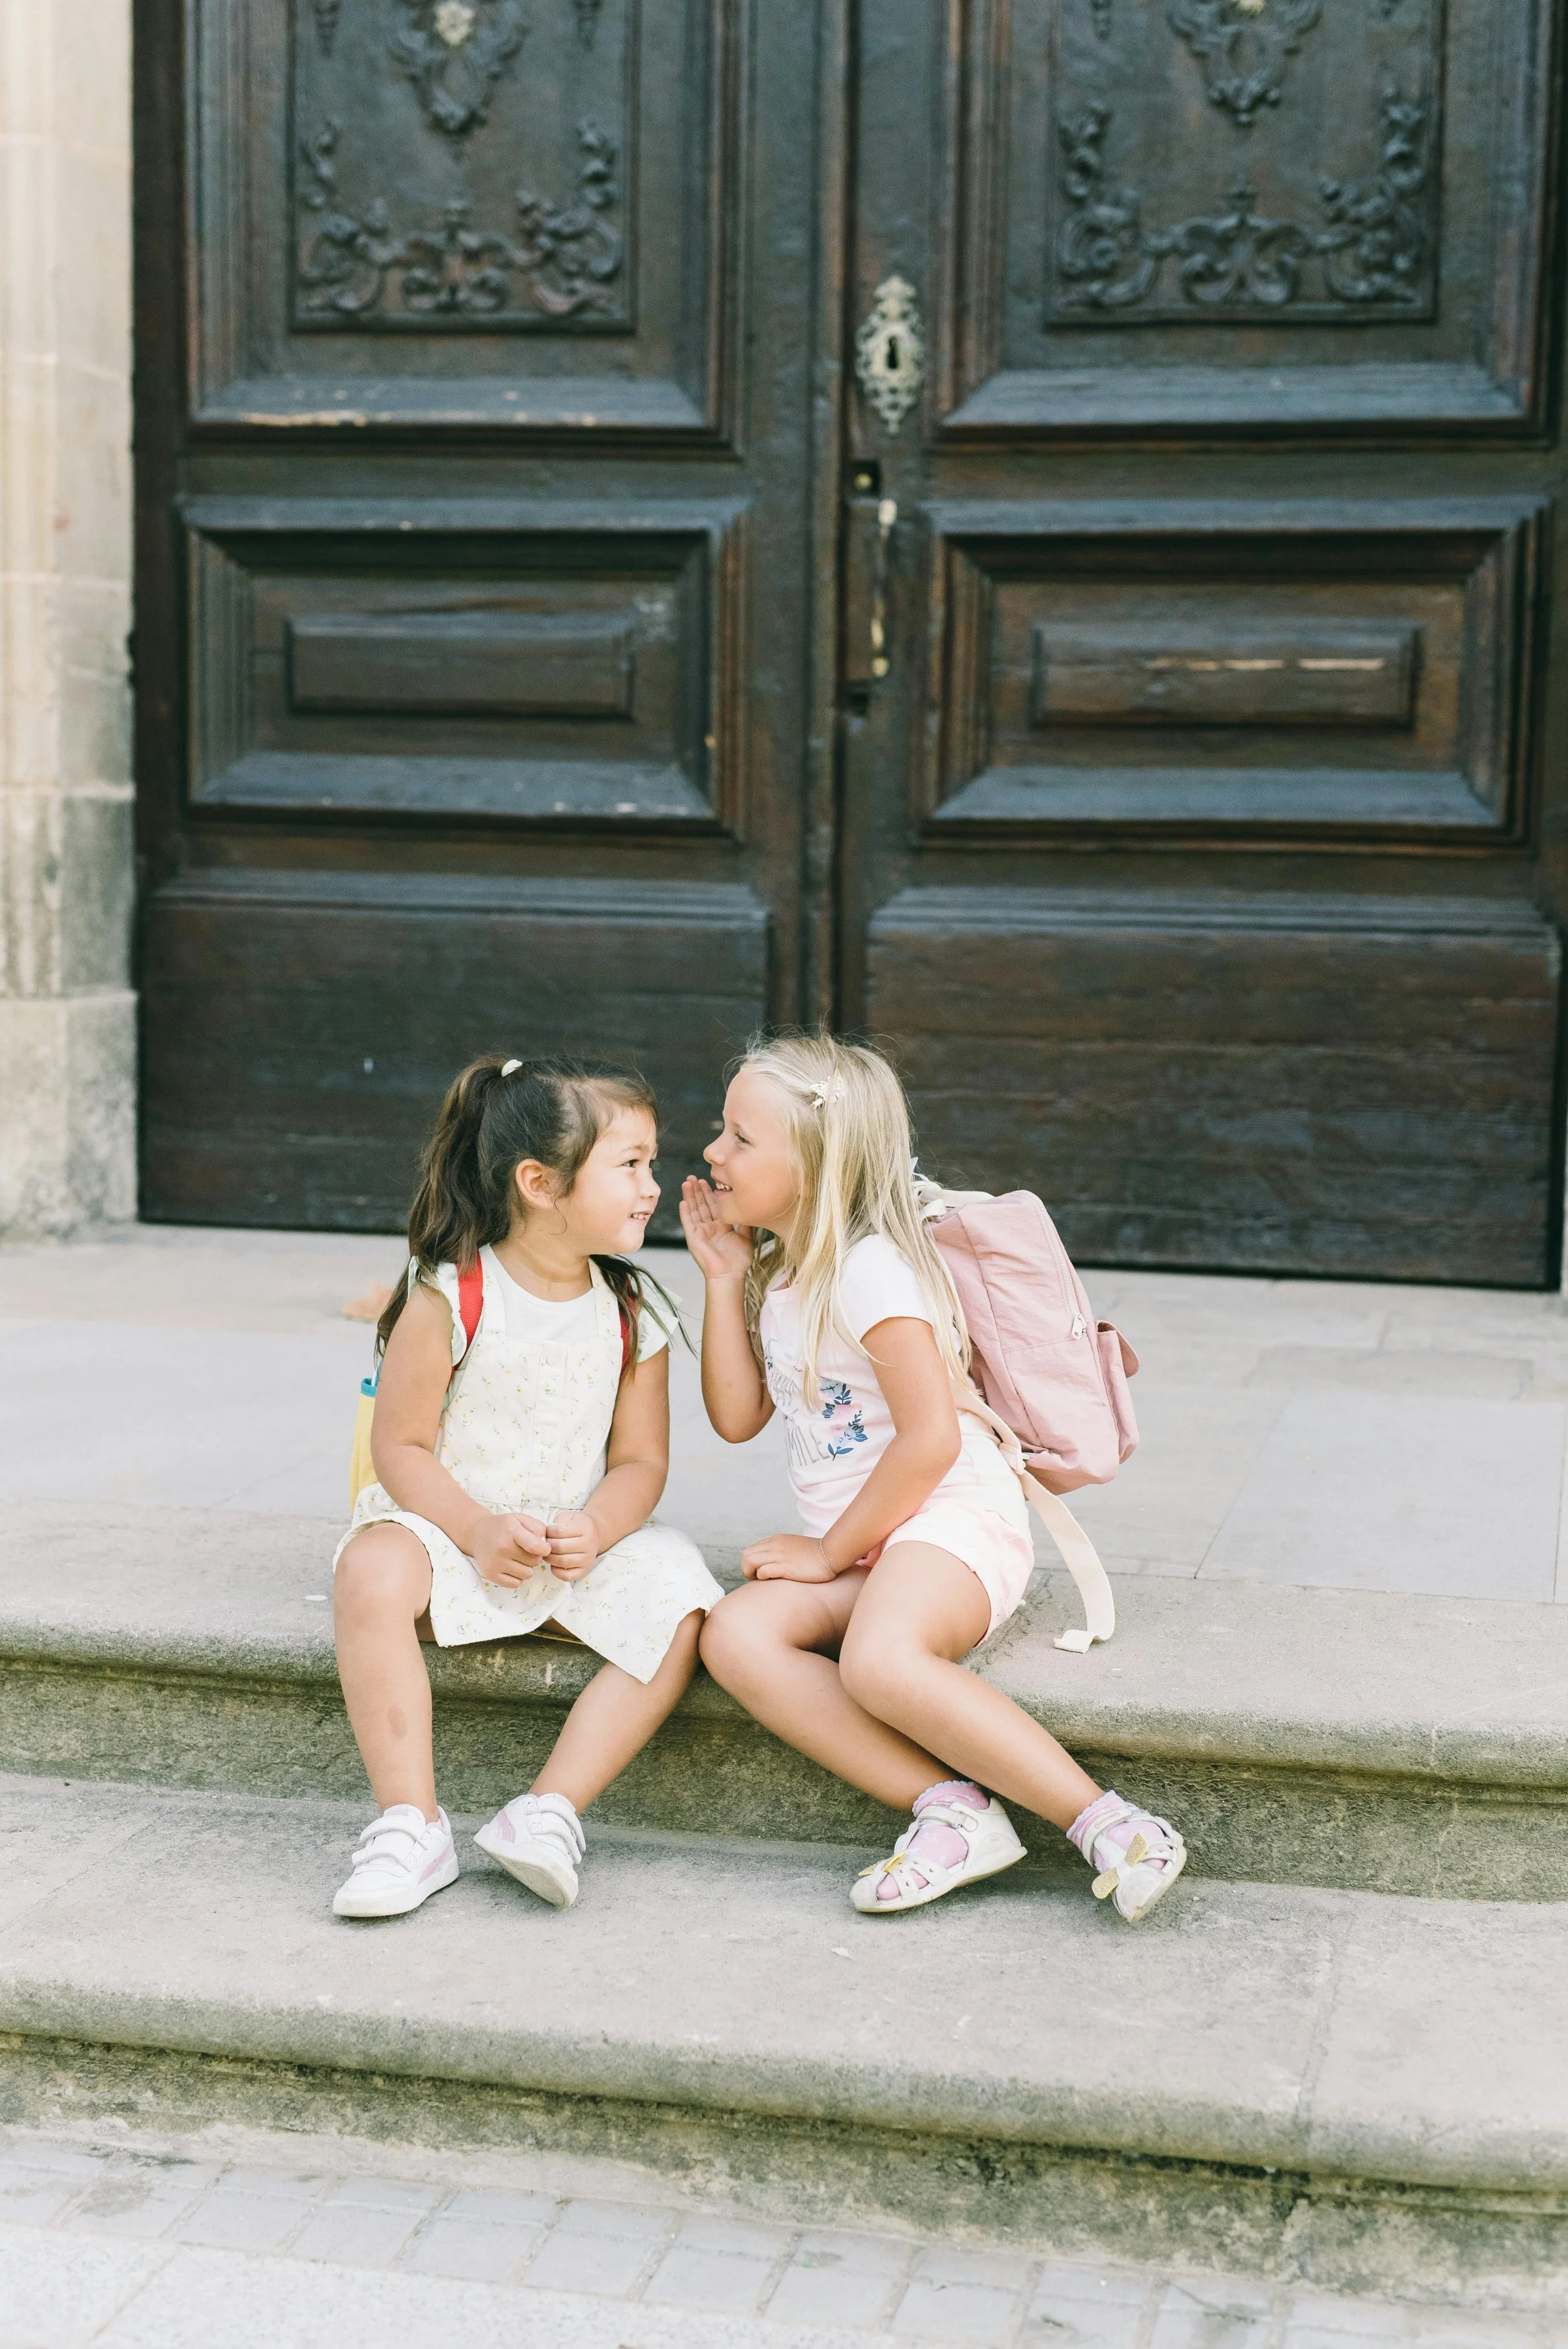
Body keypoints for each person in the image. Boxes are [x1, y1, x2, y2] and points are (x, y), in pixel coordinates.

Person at [679, 1033, 1185, 1924]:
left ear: (819, 1163)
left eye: (741, 1138)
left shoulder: (872, 1273)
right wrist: (723, 1280)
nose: (714, 1153)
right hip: (878, 1542)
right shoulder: (778, 1272)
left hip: (949, 1520)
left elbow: (930, 1442)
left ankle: (1112, 1826)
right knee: (735, 1634)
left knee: (879, 1660)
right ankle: (954, 1812)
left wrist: (828, 1550)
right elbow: (734, 1416)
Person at [331, 1053, 722, 1921]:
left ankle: (548, 1811)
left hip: (572, 1546)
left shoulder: (634, 1309)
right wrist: (472, 1528)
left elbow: (641, 1464)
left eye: (650, 1163)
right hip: (451, 1532)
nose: (652, 1186)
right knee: (371, 1570)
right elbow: (401, 1446)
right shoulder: (452, 1293)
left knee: (686, 1600)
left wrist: (599, 1525)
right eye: (630, 1165)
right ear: (541, 1183)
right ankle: (411, 1826)